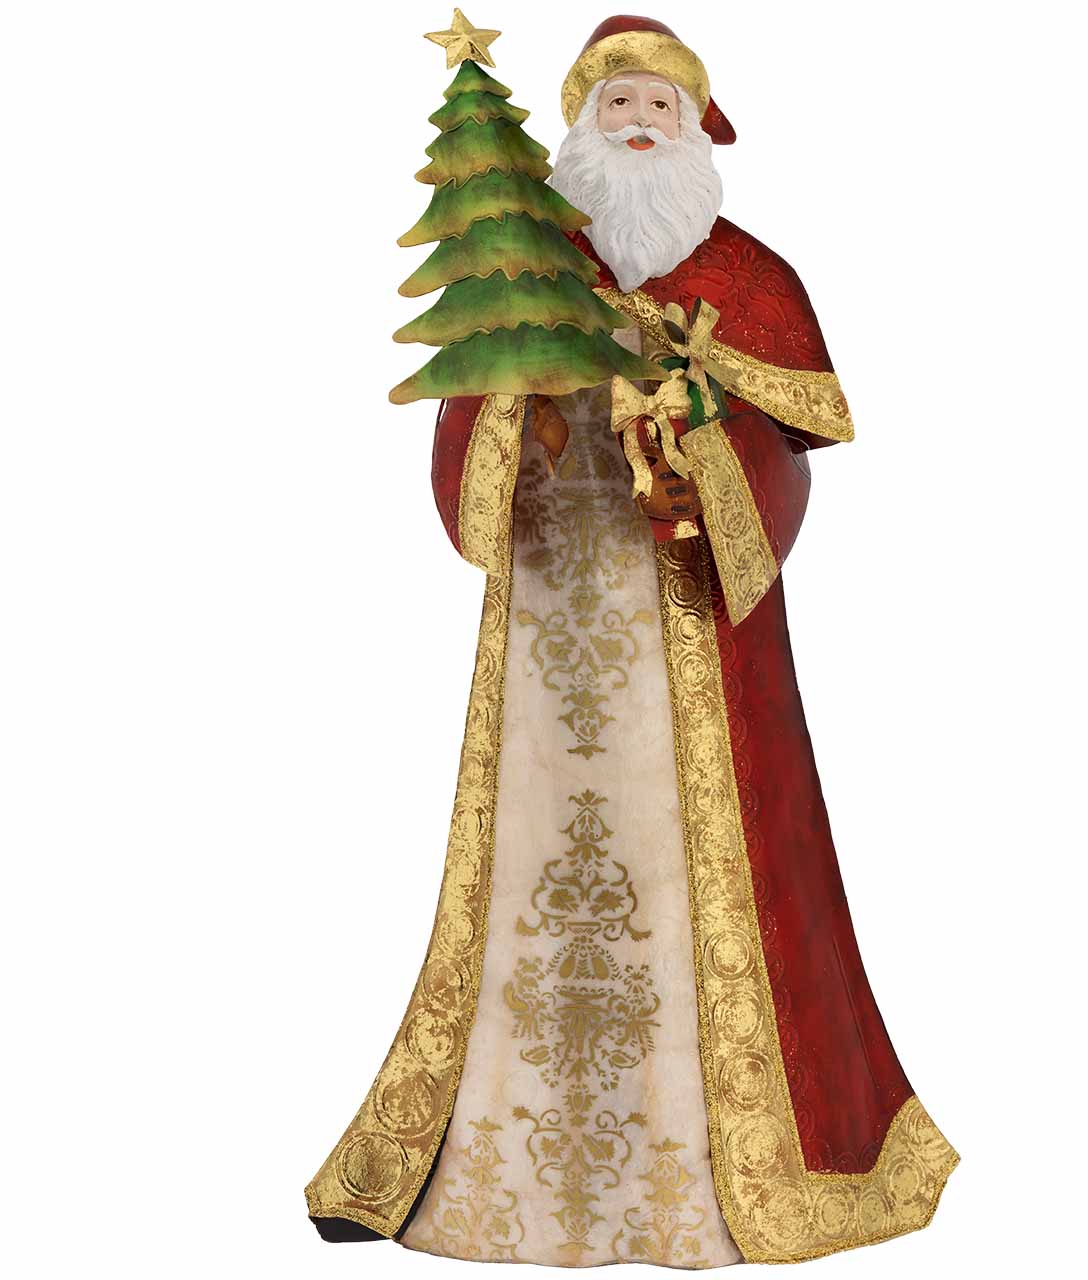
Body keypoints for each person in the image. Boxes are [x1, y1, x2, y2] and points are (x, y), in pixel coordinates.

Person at [306, 15, 958, 1266]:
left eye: (662, 105)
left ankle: (726, 1167)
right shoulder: (522, 280)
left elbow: (781, 467)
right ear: (579, 130)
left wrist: (692, 429)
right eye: (617, 106)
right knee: (524, 861)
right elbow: (465, 454)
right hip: (551, 626)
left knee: (718, 871)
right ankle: (482, 1152)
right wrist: (528, 415)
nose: (639, 122)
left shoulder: (749, 280)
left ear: (695, 131)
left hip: (692, 637)